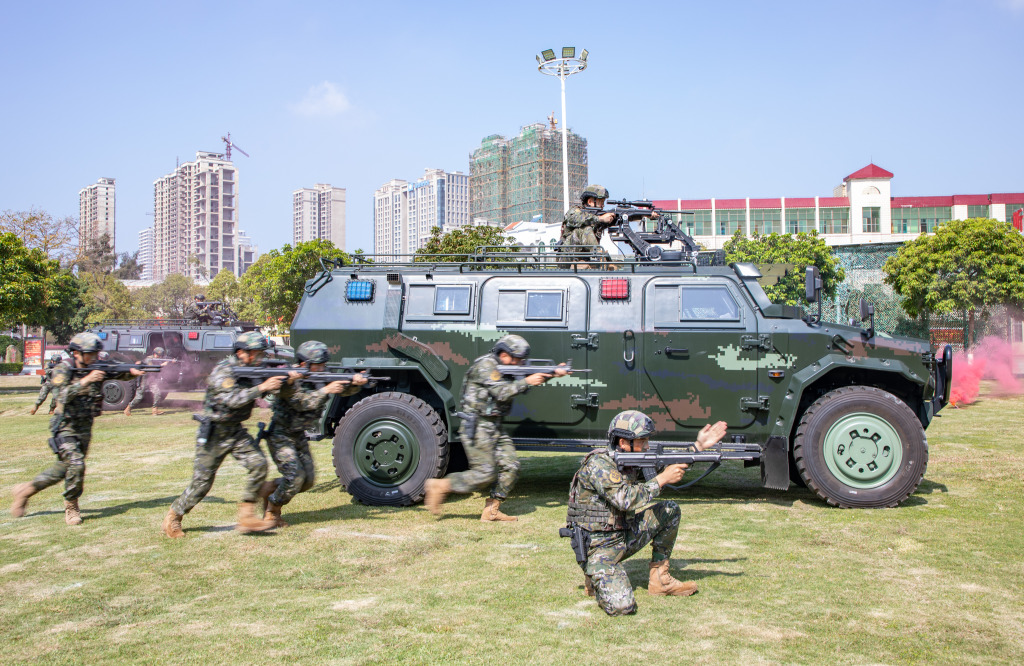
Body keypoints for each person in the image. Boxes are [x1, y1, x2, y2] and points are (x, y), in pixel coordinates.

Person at [565, 410, 727, 616]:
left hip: (623, 536)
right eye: (643, 441)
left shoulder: (630, 460)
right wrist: (662, 479)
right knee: (622, 607)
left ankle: (661, 580)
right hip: (598, 548)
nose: (647, 446)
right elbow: (625, 499)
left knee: (669, 510)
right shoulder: (599, 464)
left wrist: (698, 447)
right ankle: (596, 575)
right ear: (623, 442)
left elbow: (664, 462)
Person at [424, 334, 567, 521]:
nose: (520, 363)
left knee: (511, 466)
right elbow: (501, 392)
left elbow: (526, 381)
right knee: (484, 474)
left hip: (494, 426)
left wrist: (553, 373)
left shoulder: (506, 367)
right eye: (517, 359)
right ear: (505, 354)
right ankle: (441, 486)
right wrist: (527, 381)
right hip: (478, 425)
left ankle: (491, 510)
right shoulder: (486, 366)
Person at [11, 333, 145, 526]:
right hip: (65, 426)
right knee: (76, 464)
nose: (94, 358)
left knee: (64, 469)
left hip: (85, 427)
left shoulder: (97, 367)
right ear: (76, 353)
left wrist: (136, 370)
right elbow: (61, 396)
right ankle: (71, 506)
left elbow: (119, 371)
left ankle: (25, 490)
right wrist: (86, 381)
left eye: (96, 354)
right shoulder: (63, 370)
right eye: (89, 354)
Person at [162, 331, 284, 538]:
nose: (260, 358)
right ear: (241, 353)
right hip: (215, 433)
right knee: (202, 483)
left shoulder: (252, 371)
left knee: (258, 464)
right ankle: (174, 516)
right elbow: (233, 399)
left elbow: (262, 391)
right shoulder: (224, 371)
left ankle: (247, 516)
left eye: (261, 353)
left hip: (235, 430)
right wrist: (262, 387)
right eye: (256, 353)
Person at [256, 341, 367, 527]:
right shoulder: (289, 379)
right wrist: (326, 390)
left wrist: (356, 383)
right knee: (295, 477)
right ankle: (272, 512)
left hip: (298, 434)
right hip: (280, 434)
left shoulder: (318, 377)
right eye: (318, 364)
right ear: (303, 363)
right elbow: (302, 402)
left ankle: (269, 488)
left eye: (324, 364)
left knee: (307, 481)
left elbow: (343, 388)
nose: (322, 368)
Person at [125, 347, 173, 416]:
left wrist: (170, 362)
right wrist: (162, 364)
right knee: (139, 397)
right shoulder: (148, 359)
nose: (159, 357)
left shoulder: (157, 360)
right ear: (154, 354)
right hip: (144, 379)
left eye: (160, 356)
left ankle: (155, 410)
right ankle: (128, 408)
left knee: (157, 393)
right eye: (158, 355)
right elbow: (151, 368)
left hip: (151, 379)